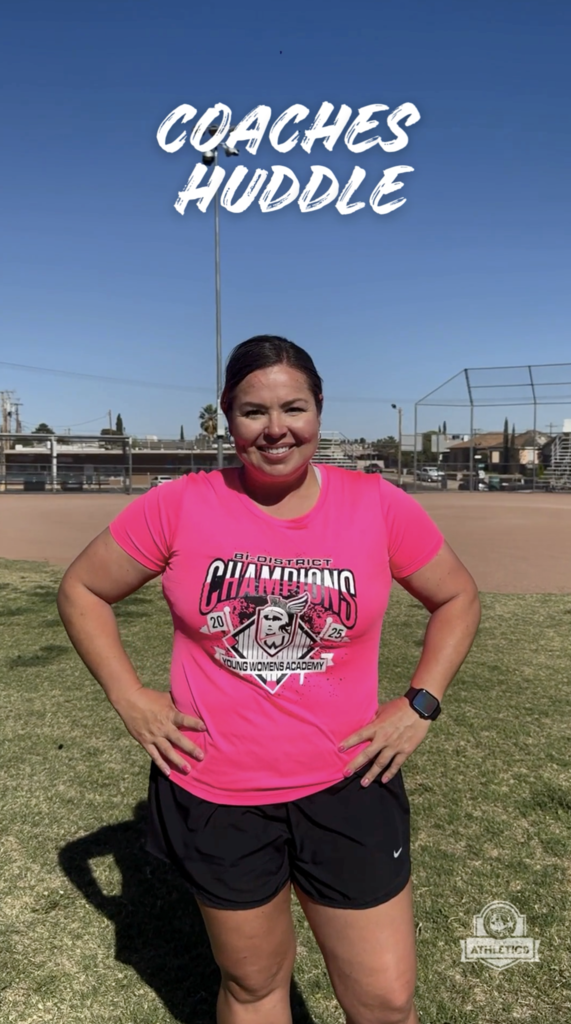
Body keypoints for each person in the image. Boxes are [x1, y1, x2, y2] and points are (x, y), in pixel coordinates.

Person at [57, 335, 481, 1024]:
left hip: (349, 784)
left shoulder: (374, 503)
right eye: (254, 411)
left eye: (293, 408)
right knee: (254, 987)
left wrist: (419, 703)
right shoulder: (180, 504)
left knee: (385, 999)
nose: (275, 428)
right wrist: (128, 697)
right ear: (227, 415)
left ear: (319, 410)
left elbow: (457, 597)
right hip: (217, 794)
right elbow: (82, 589)